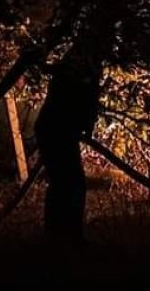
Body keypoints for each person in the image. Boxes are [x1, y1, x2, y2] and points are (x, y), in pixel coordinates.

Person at [34, 39, 105, 249]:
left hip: (56, 129)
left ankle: (59, 237)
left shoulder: (74, 68)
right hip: (57, 130)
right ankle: (65, 238)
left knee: (64, 184)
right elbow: (82, 100)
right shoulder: (78, 70)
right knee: (69, 184)